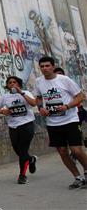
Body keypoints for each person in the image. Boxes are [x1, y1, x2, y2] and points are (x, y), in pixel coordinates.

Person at [33, 56, 87, 189]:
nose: (45, 68)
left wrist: (67, 106)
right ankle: (77, 176)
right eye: (42, 66)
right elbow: (38, 97)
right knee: (62, 151)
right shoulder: (39, 82)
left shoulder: (64, 80)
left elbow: (81, 96)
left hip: (70, 120)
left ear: (53, 66)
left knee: (76, 150)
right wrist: (41, 108)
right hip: (53, 122)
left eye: (47, 66)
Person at [0, 76, 38, 184]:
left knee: (23, 150)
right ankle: (31, 159)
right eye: (10, 83)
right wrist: (2, 111)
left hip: (27, 124)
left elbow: (34, 103)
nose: (12, 84)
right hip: (13, 126)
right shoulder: (5, 97)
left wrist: (21, 93)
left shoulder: (26, 93)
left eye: (15, 82)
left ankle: (22, 175)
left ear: (19, 84)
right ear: (7, 85)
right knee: (17, 149)